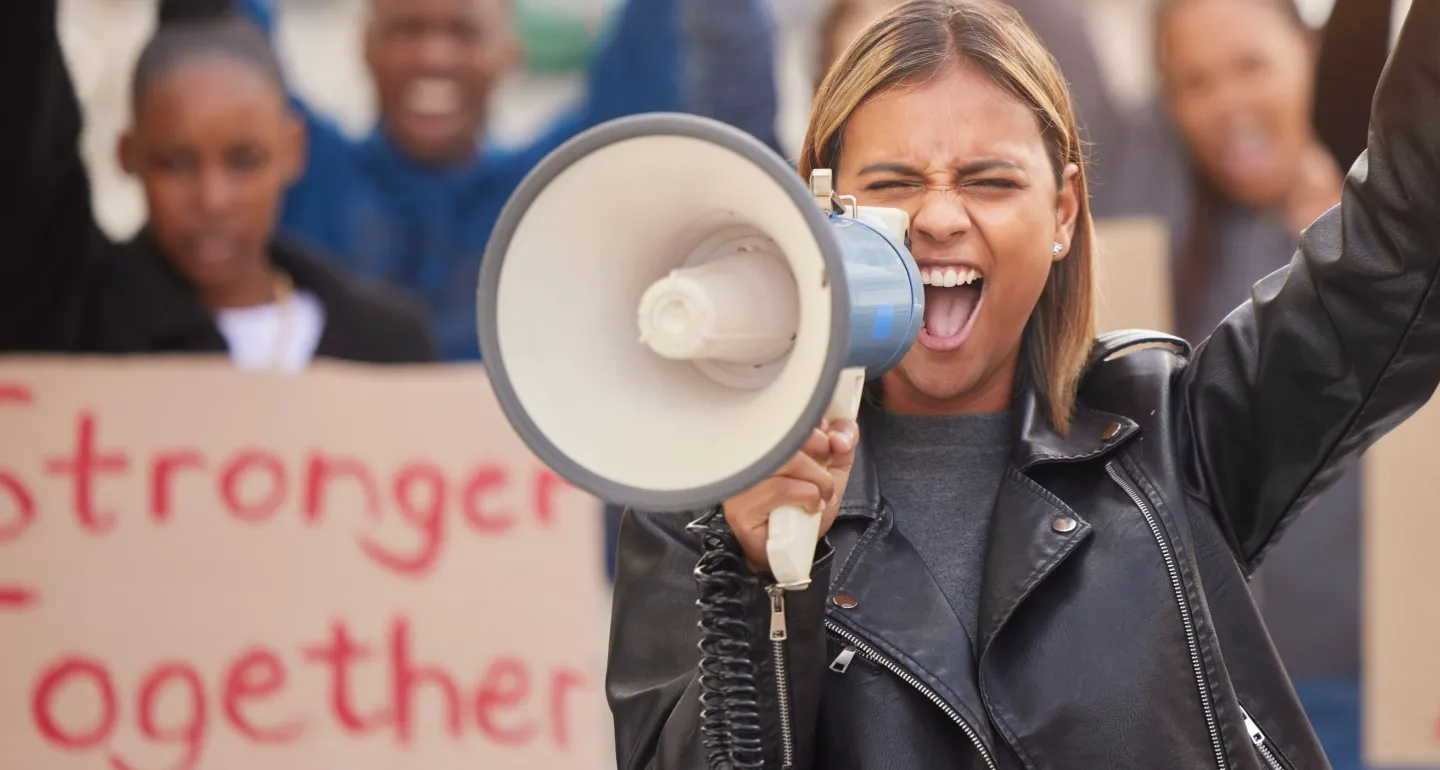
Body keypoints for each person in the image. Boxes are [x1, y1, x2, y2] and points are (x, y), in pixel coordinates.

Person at [606, 1, 1440, 768]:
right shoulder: (709, 499)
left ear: (1065, 212)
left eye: (990, 180)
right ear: (824, 211)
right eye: (894, 184)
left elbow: (1395, 257)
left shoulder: (1172, 433)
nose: (938, 219)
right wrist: (753, 583)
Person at [204, 0, 775, 363]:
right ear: (365, 46)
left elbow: (657, 68)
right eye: (406, 29)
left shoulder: (556, 192)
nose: (433, 55)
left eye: (462, 31)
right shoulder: (297, 172)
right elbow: (222, 43)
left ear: (510, 52)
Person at [1155, 3, 1391, 765]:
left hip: (1383, 690)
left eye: (1250, 66)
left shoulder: (1395, 232)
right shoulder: (1168, 242)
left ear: (1309, 53)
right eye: (1196, 82)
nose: (1229, 104)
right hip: (1215, 701)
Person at [0, 3, 435, 365]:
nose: (213, 200)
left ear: (294, 149)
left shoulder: (389, 346)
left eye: (245, 162)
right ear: (127, 155)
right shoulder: (78, 316)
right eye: (176, 164)